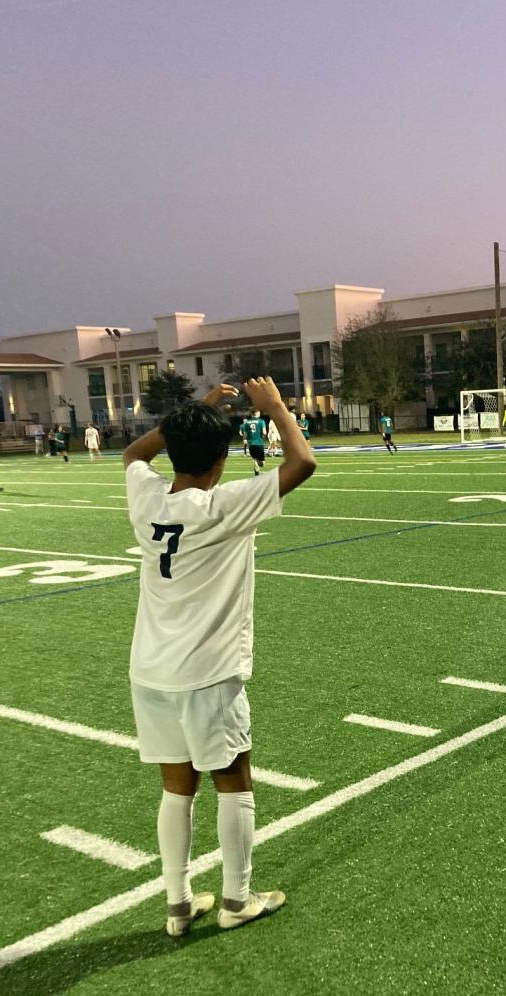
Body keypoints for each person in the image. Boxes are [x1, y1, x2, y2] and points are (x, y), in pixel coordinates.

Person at [122, 377, 316, 937]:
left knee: (176, 786)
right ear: (223, 457)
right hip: (207, 672)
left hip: (150, 670)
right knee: (234, 779)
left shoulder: (149, 497)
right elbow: (301, 463)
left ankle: (179, 904)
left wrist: (194, 412)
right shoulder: (222, 506)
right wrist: (275, 407)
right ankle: (236, 899)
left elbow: (137, 453)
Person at [241, 408, 268, 475]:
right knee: (262, 464)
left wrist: (245, 440)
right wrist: (263, 436)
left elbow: (245, 434)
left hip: (250, 444)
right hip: (259, 443)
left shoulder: (246, 422)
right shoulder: (261, 421)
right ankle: (257, 463)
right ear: (257, 413)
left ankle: (256, 464)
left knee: (255, 457)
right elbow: (264, 433)